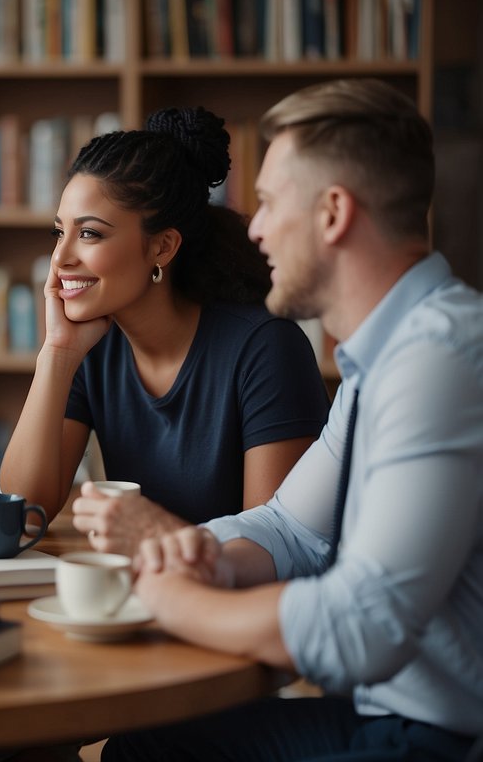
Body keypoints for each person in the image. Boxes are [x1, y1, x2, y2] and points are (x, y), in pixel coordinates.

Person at [108, 79, 482, 761]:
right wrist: (201, 554)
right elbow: (291, 528)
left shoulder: (441, 358)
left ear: (333, 212)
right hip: (381, 713)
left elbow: (363, 626)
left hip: (443, 739)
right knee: (142, 750)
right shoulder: (383, 357)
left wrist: (175, 600)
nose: (252, 228)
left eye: (271, 202)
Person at [0, 107, 330, 555]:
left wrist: (154, 535)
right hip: (135, 599)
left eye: (90, 234)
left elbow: (274, 549)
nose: (60, 260)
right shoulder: (90, 347)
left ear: (163, 245)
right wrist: (57, 354)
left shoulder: (266, 349)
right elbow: (19, 515)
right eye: (60, 233)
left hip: (227, 609)